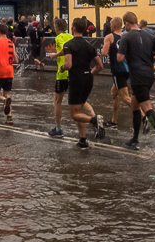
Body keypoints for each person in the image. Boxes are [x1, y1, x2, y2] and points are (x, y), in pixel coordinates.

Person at [118, 11, 155, 157]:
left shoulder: (126, 37)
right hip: (149, 74)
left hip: (137, 75)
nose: (125, 27)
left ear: (127, 23)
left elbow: (120, 57)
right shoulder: (150, 36)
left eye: (125, 25)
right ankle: (135, 138)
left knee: (146, 107)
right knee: (135, 104)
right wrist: (150, 61)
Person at [59, 17, 105, 149]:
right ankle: (83, 139)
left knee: (74, 114)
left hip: (76, 79)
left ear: (73, 28)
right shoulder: (89, 46)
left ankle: (94, 120)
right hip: (88, 79)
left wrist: (62, 68)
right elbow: (100, 66)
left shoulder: (69, 45)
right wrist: (90, 74)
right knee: (79, 108)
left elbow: (68, 65)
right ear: (85, 29)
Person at [102, 16, 130, 127]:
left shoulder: (109, 37)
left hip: (118, 70)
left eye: (110, 25)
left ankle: (145, 115)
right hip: (127, 69)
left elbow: (104, 53)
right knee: (114, 93)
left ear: (113, 25)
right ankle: (114, 121)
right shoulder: (126, 36)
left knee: (125, 98)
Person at [0, 24, 18, 124]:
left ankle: (5, 100)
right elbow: (16, 60)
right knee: (7, 93)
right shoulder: (11, 43)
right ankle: (9, 118)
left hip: (0, 71)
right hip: (10, 71)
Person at [49, 18, 72, 138]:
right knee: (79, 100)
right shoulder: (70, 36)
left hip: (63, 72)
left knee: (57, 101)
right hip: (72, 71)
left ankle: (58, 129)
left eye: (54, 26)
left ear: (57, 27)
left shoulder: (59, 38)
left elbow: (65, 49)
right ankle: (93, 117)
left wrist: (55, 54)